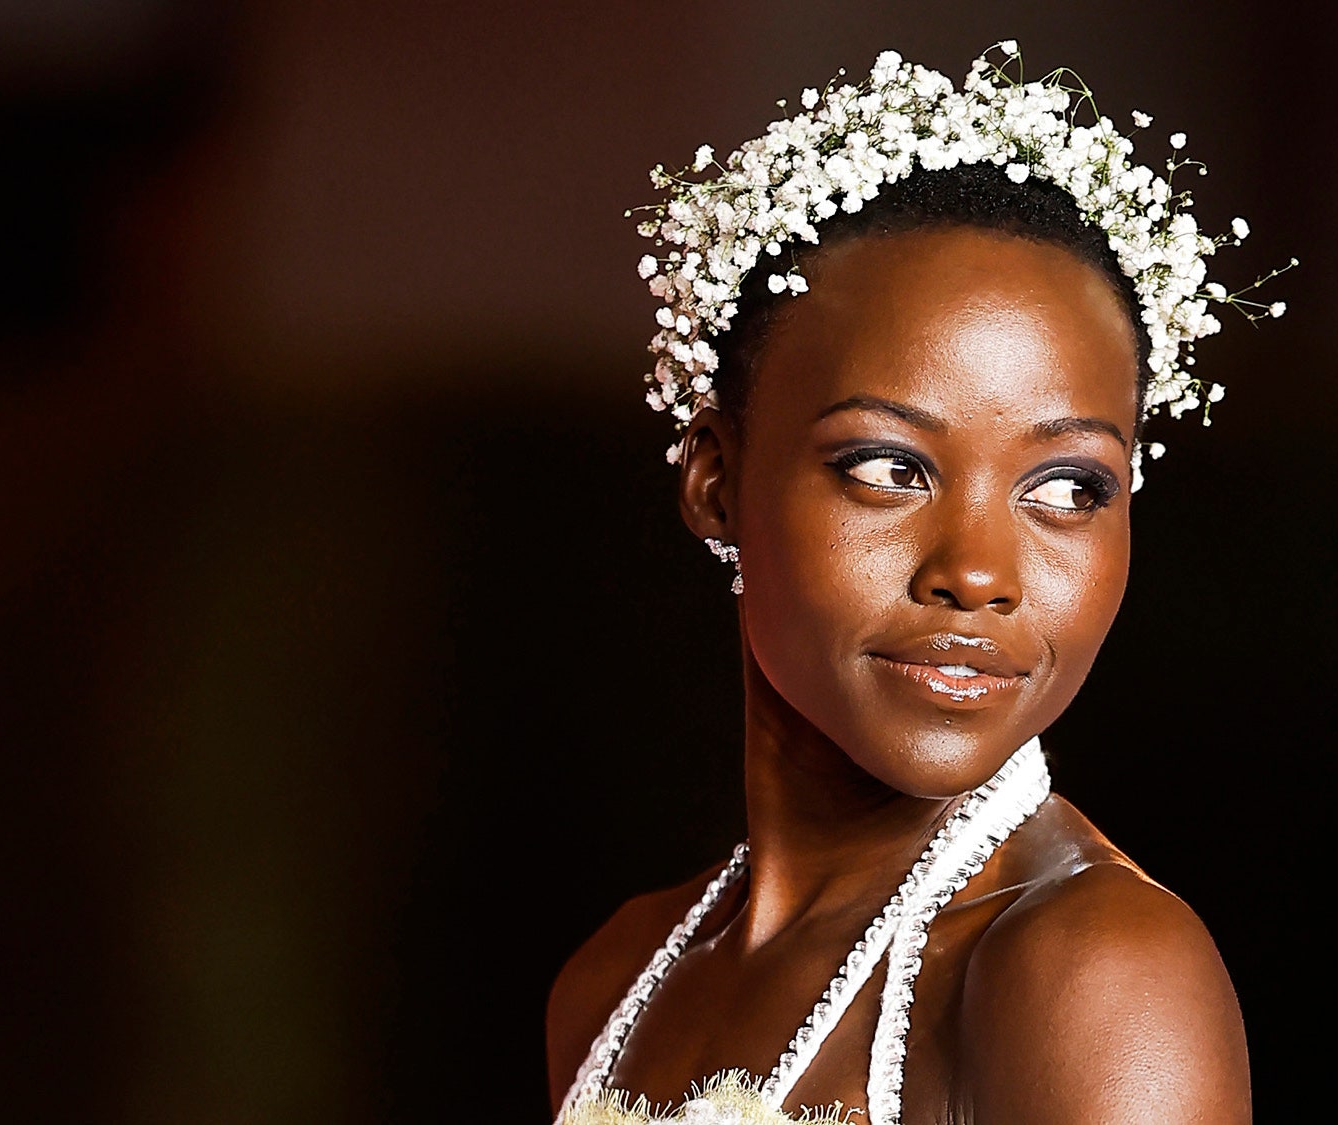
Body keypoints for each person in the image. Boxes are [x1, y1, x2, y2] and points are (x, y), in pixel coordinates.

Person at [547, 44, 1284, 1125]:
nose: (978, 575)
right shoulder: (613, 979)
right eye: (889, 468)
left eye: (1068, 486)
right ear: (714, 480)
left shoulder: (1088, 972)